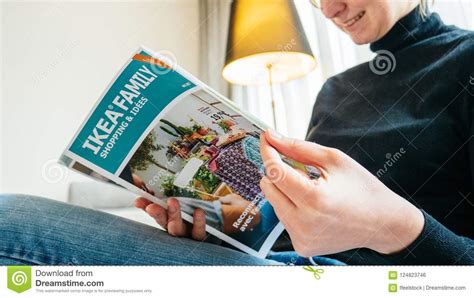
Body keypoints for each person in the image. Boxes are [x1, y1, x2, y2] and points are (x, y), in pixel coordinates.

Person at [1, 0, 473, 265]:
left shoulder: (464, 61)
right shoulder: (337, 90)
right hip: (276, 265)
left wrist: (391, 226)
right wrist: (222, 228)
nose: (330, 8)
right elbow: (288, 226)